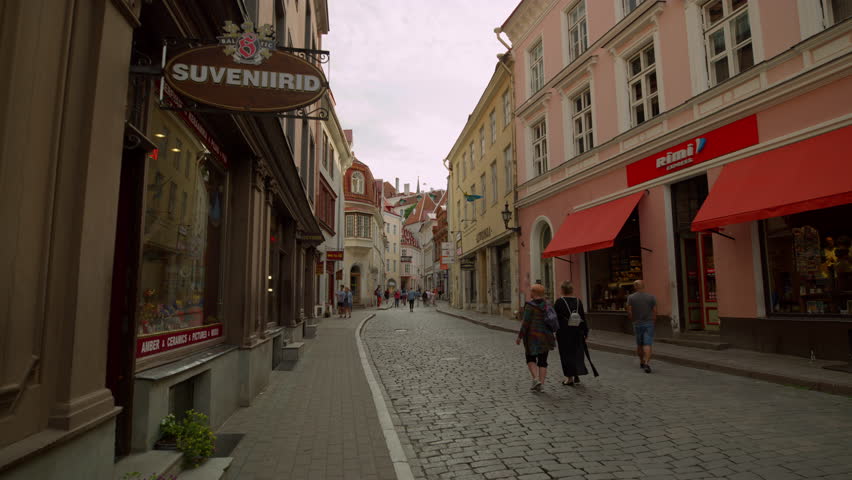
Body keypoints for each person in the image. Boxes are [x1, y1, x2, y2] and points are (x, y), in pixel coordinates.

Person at [516, 284, 555, 392]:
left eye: (531, 291)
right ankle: (541, 385)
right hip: (546, 336)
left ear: (534, 293)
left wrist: (520, 336)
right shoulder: (548, 304)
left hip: (532, 337)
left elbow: (525, 323)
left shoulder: (530, 306)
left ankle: (536, 379)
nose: (530, 293)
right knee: (543, 361)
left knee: (530, 358)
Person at [554, 281, 590, 386]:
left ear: (562, 290)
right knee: (576, 352)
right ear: (572, 290)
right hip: (577, 330)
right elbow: (583, 317)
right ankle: (576, 373)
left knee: (565, 354)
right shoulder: (578, 301)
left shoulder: (559, 302)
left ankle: (569, 378)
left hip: (564, 332)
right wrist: (585, 331)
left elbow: (555, 318)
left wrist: (553, 330)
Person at [627, 280, 657, 373]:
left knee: (639, 344)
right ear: (643, 286)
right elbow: (655, 311)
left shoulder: (630, 297)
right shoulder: (651, 297)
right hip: (649, 323)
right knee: (647, 344)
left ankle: (641, 361)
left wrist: (632, 319)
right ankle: (647, 363)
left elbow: (629, 312)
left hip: (637, 323)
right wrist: (653, 320)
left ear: (635, 287)